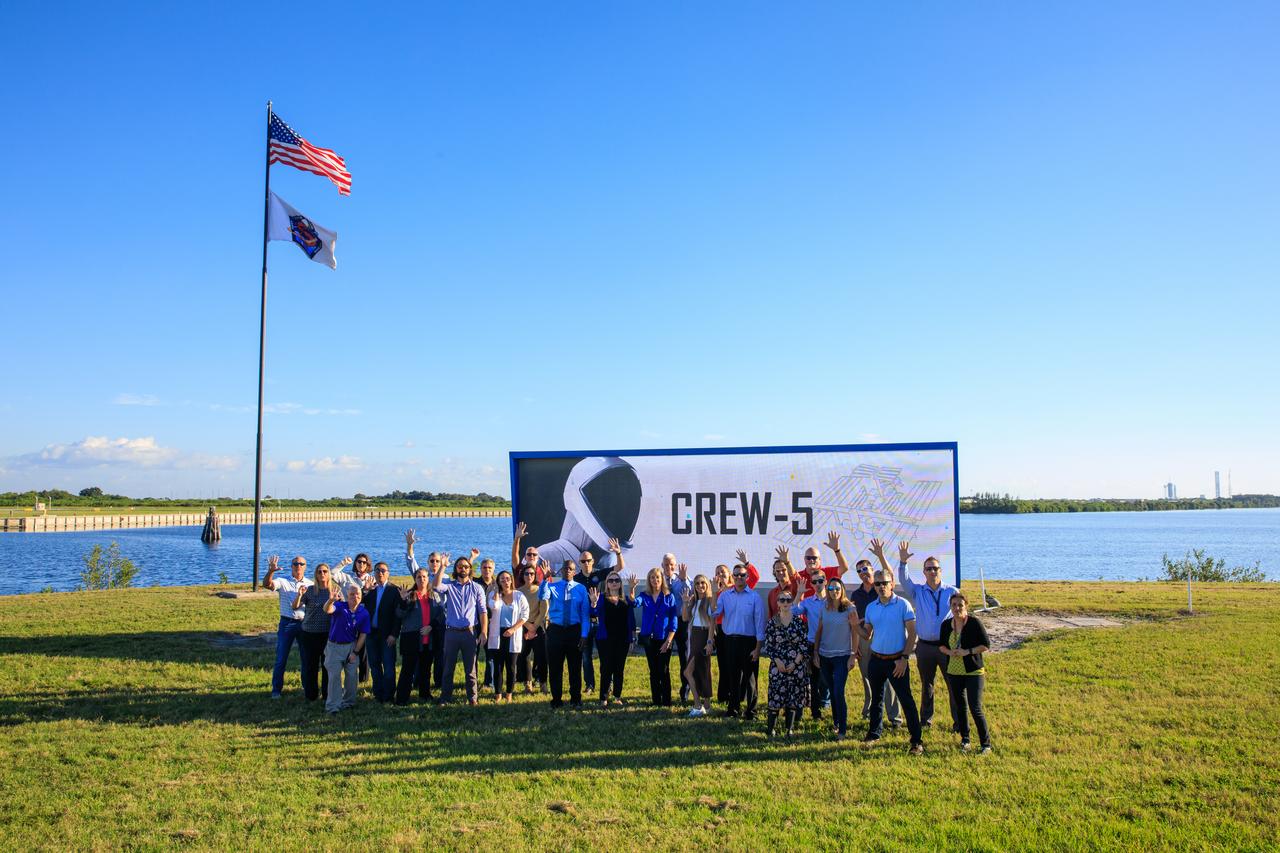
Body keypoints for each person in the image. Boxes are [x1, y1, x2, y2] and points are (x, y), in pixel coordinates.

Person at [875, 538, 958, 731]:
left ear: (940, 571)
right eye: (928, 569)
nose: (932, 572)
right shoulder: (918, 592)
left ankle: (958, 722)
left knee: (952, 684)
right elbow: (904, 580)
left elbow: (962, 615)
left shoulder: (952, 592)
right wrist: (903, 562)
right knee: (926, 685)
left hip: (947, 647)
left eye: (935, 568)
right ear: (924, 572)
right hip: (925, 646)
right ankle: (926, 721)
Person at [860, 568, 924, 754]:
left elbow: (912, 634)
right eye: (877, 584)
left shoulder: (903, 605)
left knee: (906, 700)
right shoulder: (872, 607)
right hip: (876, 660)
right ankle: (874, 734)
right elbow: (867, 634)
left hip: (897, 661)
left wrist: (904, 658)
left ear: (892, 584)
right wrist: (855, 625)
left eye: (884, 583)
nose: (881, 587)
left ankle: (916, 741)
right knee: (877, 699)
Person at [850, 555, 903, 728]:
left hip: (883, 636)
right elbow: (856, 623)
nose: (863, 573)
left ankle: (894, 717)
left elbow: (890, 576)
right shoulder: (856, 594)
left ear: (872, 570)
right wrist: (855, 646)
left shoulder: (881, 588)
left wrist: (881, 554)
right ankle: (870, 711)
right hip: (864, 638)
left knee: (890, 678)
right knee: (867, 676)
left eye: (865, 569)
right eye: (859, 571)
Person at [712, 561, 766, 720]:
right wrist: (715, 594)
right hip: (730, 641)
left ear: (747, 577)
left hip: (749, 641)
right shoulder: (725, 595)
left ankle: (751, 711)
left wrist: (758, 648)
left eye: (742, 575)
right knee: (733, 676)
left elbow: (760, 623)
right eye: (736, 575)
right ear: (733, 577)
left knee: (750, 679)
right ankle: (733, 709)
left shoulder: (755, 597)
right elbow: (714, 613)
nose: (739, 577)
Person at [939, 592, 993, 753]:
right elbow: (941, 645)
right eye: (954, 605)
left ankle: (986, 744)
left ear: (966, 606)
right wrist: (949, 653)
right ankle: (965, 740)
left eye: (960, 605)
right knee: (960, 707)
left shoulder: (974, 623)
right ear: (950, 607)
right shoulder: (946, 624)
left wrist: (967, 651)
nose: (957, 608)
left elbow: (985, 645)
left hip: (973, 671)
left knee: (975, 707)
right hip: (954, 671)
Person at [432, 555, 488, 705]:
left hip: (470, 633)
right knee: (448, 668)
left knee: (470, 670)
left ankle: (472, 698)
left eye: (466, 566)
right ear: (456, 569)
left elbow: (483, 611)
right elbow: (436, 586)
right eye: (460, 566)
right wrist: (442, 566)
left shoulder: (477, 588)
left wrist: (484, 631)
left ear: (470, 569)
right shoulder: (449, 586)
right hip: (451, 633)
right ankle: (445, 698)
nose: (463, 569)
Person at [812, 580, 860, 740]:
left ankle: (843, 729)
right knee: (832, 691)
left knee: (839, 691)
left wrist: (853, 655)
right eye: (831, 588)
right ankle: (836, 722)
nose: (834, 591)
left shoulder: (850, 608)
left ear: (842, 589)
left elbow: (855, 632)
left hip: (842, 656)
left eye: (837, 588)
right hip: (825, 656)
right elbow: (819, 630)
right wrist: (816, 652)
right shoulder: (824, 607)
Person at [540, 558, 590, 708]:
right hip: (556, 631)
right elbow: (542, 596)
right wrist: (544, 579)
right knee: (555, 667)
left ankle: (576, 699)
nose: (567, 570)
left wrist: (584, 634)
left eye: (570, 569)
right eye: (565, 568)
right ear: (561, 570)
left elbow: (585, 614)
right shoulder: (552, 586)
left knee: (575, 667)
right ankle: (556, 700)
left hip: (574, 631)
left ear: (574, 572)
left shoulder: (581, 589)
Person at [575, 539, 623, 696]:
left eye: (588, 560)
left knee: (605, 657)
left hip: (600, 623)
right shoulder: (576, 579)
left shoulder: (599, 574)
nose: (586, 563)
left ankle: (607, 684)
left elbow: (619, 567)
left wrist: (618, 552)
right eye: (583, 561)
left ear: (592, 561)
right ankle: (589, 685)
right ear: (579, 563)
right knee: (586, 657)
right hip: (584, 624)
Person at [404, 531, 448, 690]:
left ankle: (438, 682)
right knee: (421, 653)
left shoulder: (447, 577)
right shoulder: (423, 574)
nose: (435, 563)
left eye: (437, 561)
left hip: (439, 621)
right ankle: (418, 682)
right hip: (422, 620)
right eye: (432, 561)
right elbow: (411, 562)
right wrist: (410, 545)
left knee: (439, 653)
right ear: (428, 562)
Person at [762, 591, 810, 737]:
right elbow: (769, 645)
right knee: (775, 696)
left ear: (791, 603)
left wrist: (795, 663)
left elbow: (804, 644)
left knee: (793, 697)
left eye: (788, 600)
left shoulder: (799, 622)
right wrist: (777, 661)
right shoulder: (773, 622)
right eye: (782, 600)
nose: (785, 603)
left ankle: (789, 729)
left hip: (796, 666)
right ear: (777, 603)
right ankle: (771, 730)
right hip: (778, 665)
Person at [263, 554, 309, 699]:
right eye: (295, 564)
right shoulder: (282, 581)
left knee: (306, 658)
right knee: (281, 658)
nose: (298, 566)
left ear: (305, 567)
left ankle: (307, 688)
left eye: (301, 564)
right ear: (291, 566)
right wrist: (271, 571)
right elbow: (267, 585)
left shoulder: (310, 584)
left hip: (304, 624)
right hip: (287, 623)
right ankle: (276, 690)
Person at [322, 583, 369, 714]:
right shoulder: (339, 606)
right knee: (334, 677)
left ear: (361, 597)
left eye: (358, 594)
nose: (355, 597)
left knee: (352, 676)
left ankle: (348, 702)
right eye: (352, 594)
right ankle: (333, 706)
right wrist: (331, 600)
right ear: (347, 596)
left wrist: (355, 652)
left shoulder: (363, 613)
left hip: (351, 646)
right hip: (334, 647)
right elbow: (327, 609)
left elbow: (363, 634)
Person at [590, 571, 636, 706]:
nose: (614, 582)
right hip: (605, 639)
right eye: (611, 580)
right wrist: (593, 603)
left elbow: (632, 620)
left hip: (623, 640)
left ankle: (617, 696)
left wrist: (632, 637)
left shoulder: (626, 600)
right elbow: (593, 613)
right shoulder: (601, 598)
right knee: (606, 668)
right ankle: (603, 697)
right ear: (607, 584)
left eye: (617, 580)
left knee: (619, 669)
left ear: (620, 583)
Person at [635, 567, 679, 706]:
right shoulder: (644, 595)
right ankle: (656, 700)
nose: (655, 580)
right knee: (653, 670)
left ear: (662, 580)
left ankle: (666, 701)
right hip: (649, 639)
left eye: (658, 577)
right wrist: (631, 589)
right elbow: (634, 603)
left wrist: (669, 641)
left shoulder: (668, 597)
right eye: (652, 577)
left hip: (665, 639)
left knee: (664, 670)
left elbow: (673, 621)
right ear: (649, 580)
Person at [791, 562, 828, 722]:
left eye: (820, 580)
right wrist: (799, 593)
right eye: (814, 582)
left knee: (828, 680)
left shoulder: (834, 599)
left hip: (832, 645)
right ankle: (816, 713)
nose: (817, 584)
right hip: (813, 646)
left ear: (826, 581)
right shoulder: (808, 601)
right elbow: (793, 611)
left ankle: (831, 709)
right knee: (814, 680)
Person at [486, 570, 530, 703]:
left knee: (511, 666)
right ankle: (498, 693)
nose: (505, 582)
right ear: (498, 582)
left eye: (507, 579)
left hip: (513, 633)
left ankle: (509, 693)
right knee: (498, 666)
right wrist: (495, 592)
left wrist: (513, 629)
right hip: (497, 634)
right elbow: (493, 606)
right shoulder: (494, 595)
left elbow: (525, 615)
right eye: (502, 580)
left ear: (511, 580)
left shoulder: (519, 595)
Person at [293, 562, 334, 703]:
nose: (322, 574)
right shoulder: (310, 590)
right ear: (316, 574)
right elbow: (295, 606)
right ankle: (311, 695)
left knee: (327, 665)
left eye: (325, 571)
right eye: (319, 572)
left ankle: (327, 694)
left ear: (329, 574)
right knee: (311, 666)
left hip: (327, 634)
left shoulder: (333, 591)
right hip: (309, 633)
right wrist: (299, 595)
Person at [394, 566, 435, 705]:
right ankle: (401, 698)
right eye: (419, 577)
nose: (422, 579)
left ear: (428, 579)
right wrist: (403, 602)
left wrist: (431, 627)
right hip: (411, 639)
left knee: (425, 669)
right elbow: (399, 614)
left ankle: (425, 695)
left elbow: (440, 616)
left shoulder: (433, 596)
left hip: (428, 639)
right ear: (415, 579)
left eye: (424, 576)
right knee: (407, 670)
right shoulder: (410, 595)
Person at [362, 561, 402, 703]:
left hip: (387, 635)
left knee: (389, 666)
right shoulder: (370, 590)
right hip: (371, 634)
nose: (380, 573)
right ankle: (378, 694)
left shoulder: (394, 591)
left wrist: (394, 634)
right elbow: (360, 605)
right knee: (374, 665)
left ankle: (389, 695)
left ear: (388, 573)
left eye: (383, 570)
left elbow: (398, 616)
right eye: (377, 570)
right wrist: (365, 591)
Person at [680, 573, 716, 717]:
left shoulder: (709, 600)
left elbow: (712, 622)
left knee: (688, 672)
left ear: (707, 584)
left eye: (702, 583)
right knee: (700, 671)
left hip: (703, 637)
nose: (700, 586)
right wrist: (685, 603)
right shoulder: (694, 601)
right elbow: (684, 618)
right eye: (697, 583)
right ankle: (705, 705)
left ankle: (697, 704)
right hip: (694, 636)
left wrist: (709, 642)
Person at [661, 554, 692, 702]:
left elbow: (690, 593)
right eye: (666, 565)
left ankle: (684, 693)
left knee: (684, 658)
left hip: (682, 622)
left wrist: (684, 579)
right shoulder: (658, 579)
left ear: (675, 565)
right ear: (662, 565)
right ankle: (664, 694)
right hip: (664, 623)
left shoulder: (683, 579)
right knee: (663, 658)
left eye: (671, 564)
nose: (669, 567)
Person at [517, 561, 548, 692]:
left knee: (541, 656)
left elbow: (544, 609)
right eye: (526, 573)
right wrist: (527, 625)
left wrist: (534, 627)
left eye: (532, 573)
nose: (529, 576)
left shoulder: (541, 590)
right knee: (523, 655)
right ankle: (527, 683)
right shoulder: (517, 592)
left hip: (538, 626)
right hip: (523, 626)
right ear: (522, 576)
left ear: (535, 575)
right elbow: (517, 611)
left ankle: (543, 683)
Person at [767, 547, 802, 619]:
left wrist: (787, 562)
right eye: (778, 570)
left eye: (783, 569)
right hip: (777, 629)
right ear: (774, 572)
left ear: (788, 570)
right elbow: (771, 617)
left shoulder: (795, 587)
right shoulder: (772, 593)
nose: (781, 572)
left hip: (794, 628)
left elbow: (798, 580)